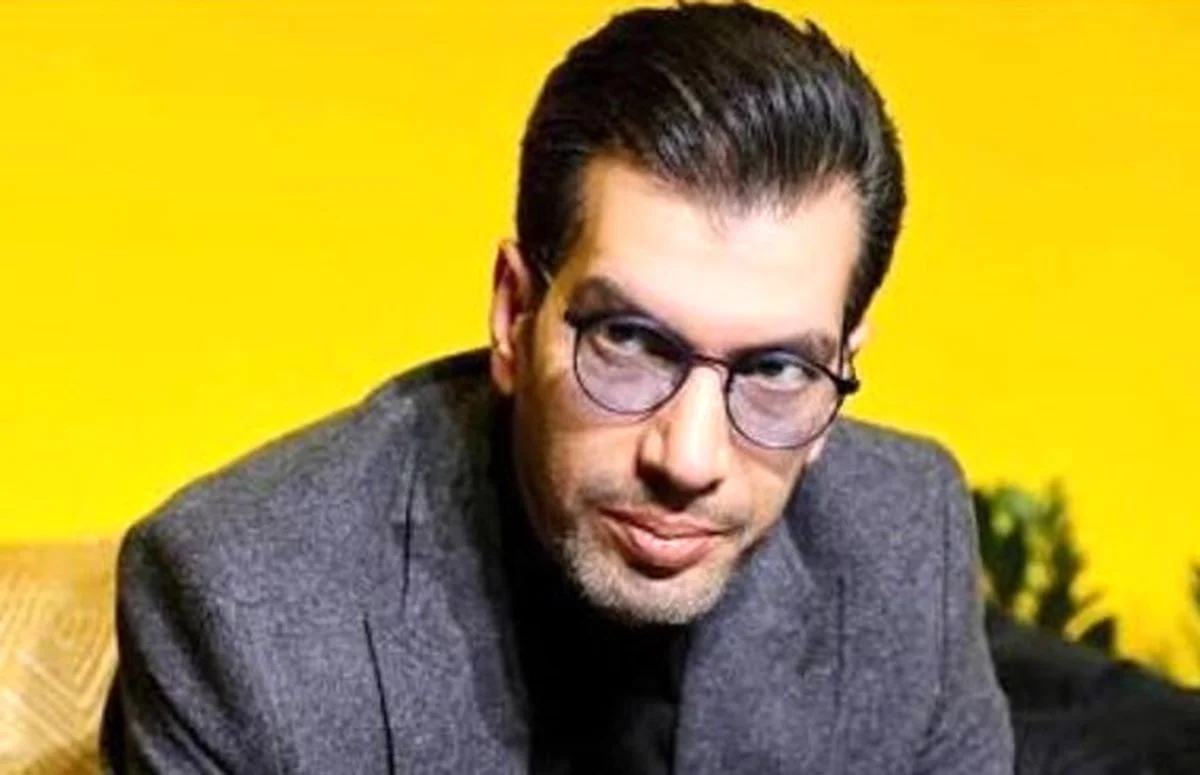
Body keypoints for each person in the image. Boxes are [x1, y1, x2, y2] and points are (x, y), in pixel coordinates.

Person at [101, 3, 1013, 773]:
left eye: (777, 369)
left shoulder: (905, 534)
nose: (689, 456)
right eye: (630, 341)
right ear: (514, 312)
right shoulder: (240, 602)